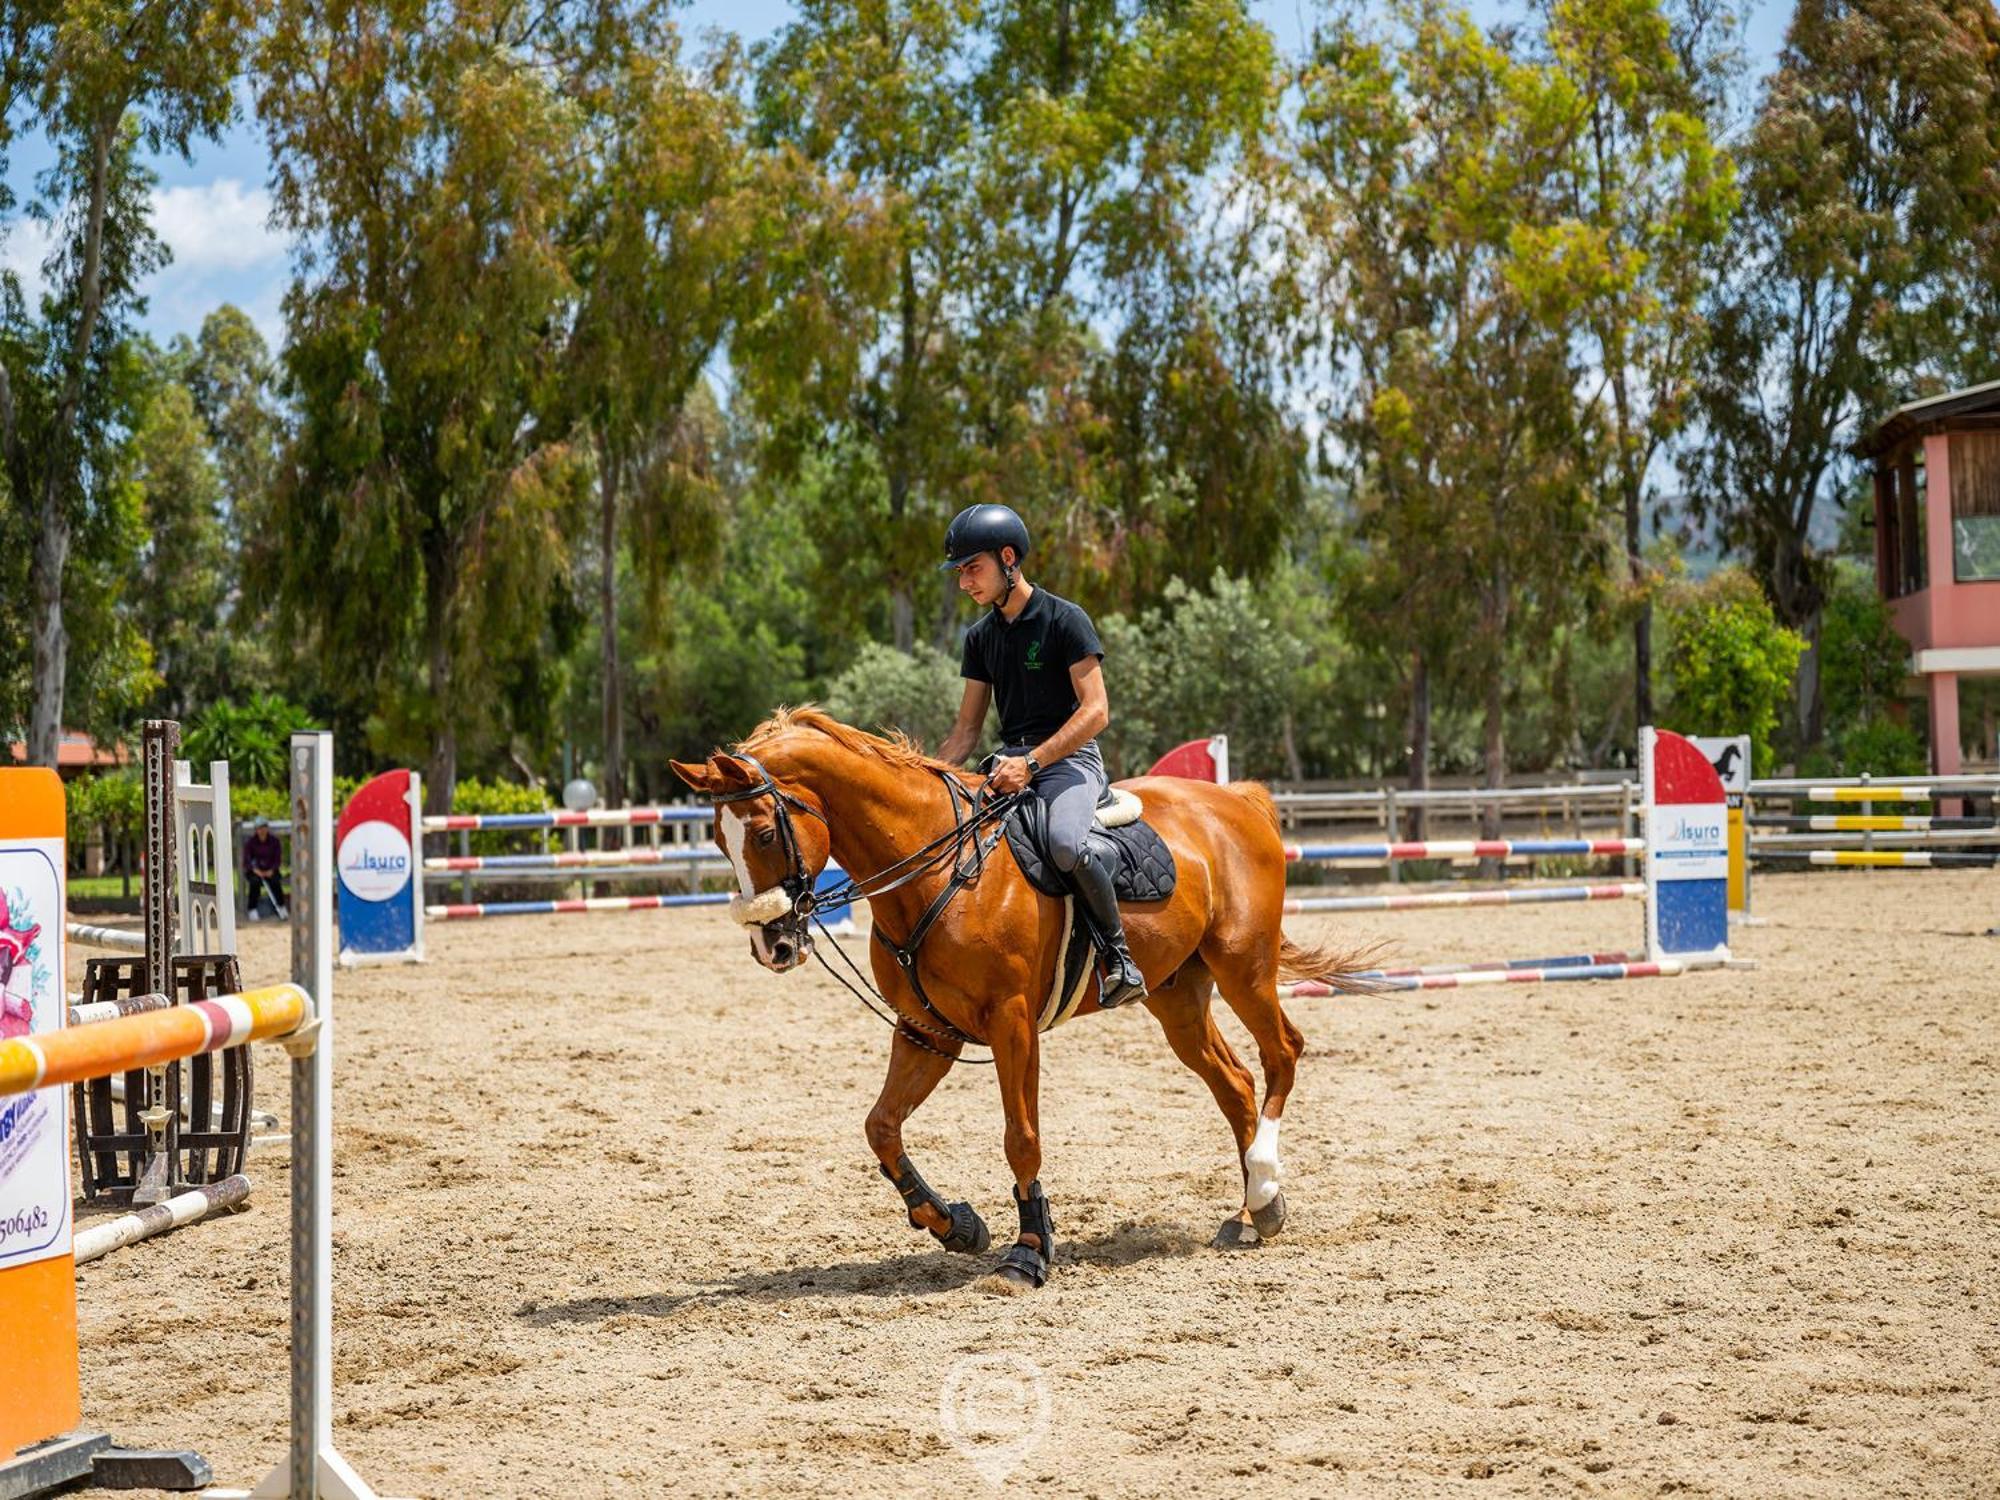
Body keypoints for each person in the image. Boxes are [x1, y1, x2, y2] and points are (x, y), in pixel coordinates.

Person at [935, 503, 1148, 1009]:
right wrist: (926, 775)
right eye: (960, 572)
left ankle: (1119, 958)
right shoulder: (980, 638)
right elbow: (967, 730)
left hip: (1070, 762)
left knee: (1065, 843)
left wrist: (1032, 764)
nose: (965, 582)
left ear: (1008, 558)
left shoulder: (1064, 619)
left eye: (973, 568)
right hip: (1007, 763)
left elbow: (1096, 711)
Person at [243, 818, 288, 921]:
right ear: (256, 830)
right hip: (255, 871)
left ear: (267, 828)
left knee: (275, 882)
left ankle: (281, 907)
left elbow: (277, 859)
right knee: (254, 883)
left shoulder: (274, 841)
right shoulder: (250, 843)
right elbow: (247, 860)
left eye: (264, 827)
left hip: (270, 870)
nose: (262, 830)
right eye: (259, 828)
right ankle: (252, 909)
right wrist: (256, 870)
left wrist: (271, 870)